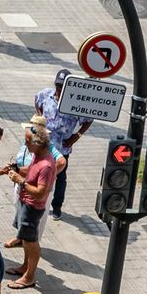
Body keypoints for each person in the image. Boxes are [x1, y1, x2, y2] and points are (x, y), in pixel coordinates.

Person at [1, 115, 57, 289]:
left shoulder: (46, 165)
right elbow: (31, 171)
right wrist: (17, 169)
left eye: (28, 142)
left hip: (33, 207)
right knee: (25, 239)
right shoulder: (37, 157)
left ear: (39, 143)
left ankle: (30, 276)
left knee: (31, 242)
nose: (25, 145)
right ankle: (25, 267)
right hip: (25, 203)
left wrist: (20, 181)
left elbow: (40, 194)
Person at [36, 69, 91, 220]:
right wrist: (40, 119)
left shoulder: (76, 103)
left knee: (60, 177)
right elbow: (37, 102)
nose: (60, 90)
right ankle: (39, 202)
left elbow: (88, 120)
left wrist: (76, 136)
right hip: (43, 144)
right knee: (39, 172)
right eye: (58, 86)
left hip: (62, 147)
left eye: (63, 87)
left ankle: (57, 207)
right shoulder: (46, 94)